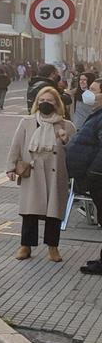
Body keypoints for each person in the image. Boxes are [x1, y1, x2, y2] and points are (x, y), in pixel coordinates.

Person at [8, 87, 76, 262]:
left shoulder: (66, 125)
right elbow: (16, 145)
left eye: (50, 100)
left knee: (54, 213)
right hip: (32, 172)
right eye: (42, 100)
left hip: (55, 175)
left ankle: (53, 248)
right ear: (37, 102)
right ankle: (26, 246)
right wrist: (11, 167)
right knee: (29, 211)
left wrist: (65, 140)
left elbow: (74, 151)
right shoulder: (27, 121)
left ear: (57, 103)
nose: (45, 103)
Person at [66, 81, 102, 273]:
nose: (88, 93)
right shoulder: (97, 113)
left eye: (94, 90)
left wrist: (92, 174)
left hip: (98, 178)